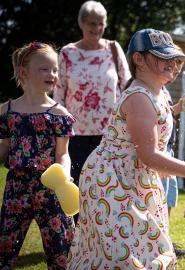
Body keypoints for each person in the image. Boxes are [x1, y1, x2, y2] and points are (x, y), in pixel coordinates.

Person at [67, 29, 185, 269]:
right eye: (163, 57)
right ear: (138, 59)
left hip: (135, 177)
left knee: (146, 245)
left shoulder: (158, 93)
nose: (172, 64)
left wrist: (176, 110)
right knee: (125, 253)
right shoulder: (139, 97)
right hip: (113, 180)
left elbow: (153, 129)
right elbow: (148, 155)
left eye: (174, 58)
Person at [0, 42, 75, 269]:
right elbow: (4, 146)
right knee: (5, 246)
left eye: (55, 70)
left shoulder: (59, 114)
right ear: (23, 71)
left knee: (61, 250)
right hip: (16, 188)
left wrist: (64, 174)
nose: (52, 74)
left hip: (51, 189)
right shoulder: (7, 111)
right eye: (44, 69)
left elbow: (63, 154)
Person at [54, 0, 131, 186]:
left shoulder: (113, 49)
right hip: (74, 135)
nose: (96, 28)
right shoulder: (67, 53)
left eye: (100, 23)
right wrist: (58, 130)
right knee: (75, 187)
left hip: (109, 134)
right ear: (81, 23)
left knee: (105, 187)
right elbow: (59, 92)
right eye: (91, 23)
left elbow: (128, 85)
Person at [161, 51, 185, 258]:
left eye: (177, 70)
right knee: (160, 198)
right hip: (159, 151)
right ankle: (158, 243)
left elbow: (164, 115)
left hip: (168, 150)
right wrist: (177, 108)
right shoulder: (148, 89)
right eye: (171, 68)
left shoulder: (164, 91)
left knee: (170, 198)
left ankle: (165, 241)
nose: (174, 74)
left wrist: (176, 109)